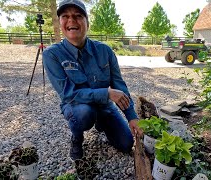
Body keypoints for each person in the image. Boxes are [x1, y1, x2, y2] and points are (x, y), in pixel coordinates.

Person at [42, 0, 143, 160]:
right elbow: (69, 94)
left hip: (104, 106)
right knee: (84, 114)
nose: (71, 21)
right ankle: (77, 138)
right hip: (76, 106)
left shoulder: (105, 51)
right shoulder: (52, 54)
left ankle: (101, 122)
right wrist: (107, 93)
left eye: (78, 16)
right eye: (65, 16)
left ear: (87, 22)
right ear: (60, 22)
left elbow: (119, 84)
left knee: (126, 143)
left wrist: (131, 116)